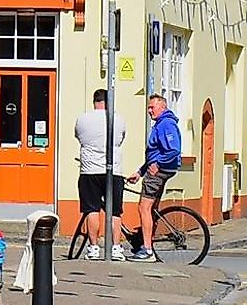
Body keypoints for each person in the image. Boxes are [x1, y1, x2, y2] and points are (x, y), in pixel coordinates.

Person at [73, 90, 133, 260]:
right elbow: (120, 140)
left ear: (95, 102)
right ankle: (116, 248)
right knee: (115, 211)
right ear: (109, 102)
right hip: (114, 170)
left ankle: (93, 248)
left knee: (91, 209)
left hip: (90, 170)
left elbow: (79, 137)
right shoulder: (118, 119)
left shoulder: (83, 119)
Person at [136, 94, 183, 263]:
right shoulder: (162, 124)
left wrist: (158, 165)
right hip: (161, 169)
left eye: (152, 107)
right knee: (152, 208)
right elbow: (153, 154)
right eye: (148, 107)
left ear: (162, 107)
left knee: (143, 208)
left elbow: (173, 149)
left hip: (160, 171)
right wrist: (140, 172)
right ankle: (148, 244)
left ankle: (147, 249)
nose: (149, 111)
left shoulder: (166, 124)